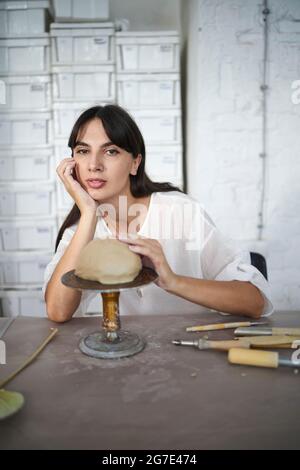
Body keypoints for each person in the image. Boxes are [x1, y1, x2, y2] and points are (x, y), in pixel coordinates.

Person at [43, 104, 273, 322]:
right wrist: (89, 213)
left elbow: (255, 301)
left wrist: (173, 281)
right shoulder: (81, 230)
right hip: (131, 354)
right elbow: (58, 311)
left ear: (135, 163)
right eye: (83, 151)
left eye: (111, 151)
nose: (94, 164)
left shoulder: (181, 212)